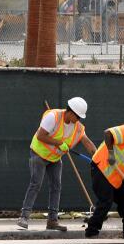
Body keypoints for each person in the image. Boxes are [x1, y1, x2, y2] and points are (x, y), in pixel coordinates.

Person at [17, 97, 97, 231]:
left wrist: (97, 158)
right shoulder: (53, 117)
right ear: (70, 111)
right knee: (36, 183)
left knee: (56, 187)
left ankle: (52, 221)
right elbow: (40, 136)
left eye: (80, 117)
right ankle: (24, 217)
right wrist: (59, 143)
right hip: (38, 154)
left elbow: (87, 143)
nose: (79, 119)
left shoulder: (77, 127)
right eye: (77, 116)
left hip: (55, 158)